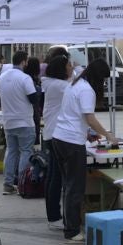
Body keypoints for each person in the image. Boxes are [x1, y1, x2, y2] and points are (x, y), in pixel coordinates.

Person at [50, 58, 115, 242]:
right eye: (103, 80)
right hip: (71, 142)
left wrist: (86, 133)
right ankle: (72, 230)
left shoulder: (75, 84)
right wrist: (108, 135)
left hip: (60, 137)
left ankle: (69, 225)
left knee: (69, 185)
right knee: (75, 187)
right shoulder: (87, 90)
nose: (103, 84)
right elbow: (90, 118)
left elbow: (73, 114)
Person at [42, 47, 78, 228]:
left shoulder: (53, 83)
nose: (72, 68)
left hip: (51, 133)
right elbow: (77, 88)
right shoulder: (59, 86)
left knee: (53, 176)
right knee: (56, 177)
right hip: (56, 135)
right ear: (61, 69)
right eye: (69, 65)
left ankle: (53, 215)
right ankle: (54, 217)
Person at [0, 51, 39, 194]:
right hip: (24, 121)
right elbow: (34, 99)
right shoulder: (25, 78)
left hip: (8, 121)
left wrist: (8, 104)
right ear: (23, 62)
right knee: (26, 151)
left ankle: (7, 184)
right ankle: (22, 184)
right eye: (26, 61)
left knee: (11, 152)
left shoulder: (2, 77)